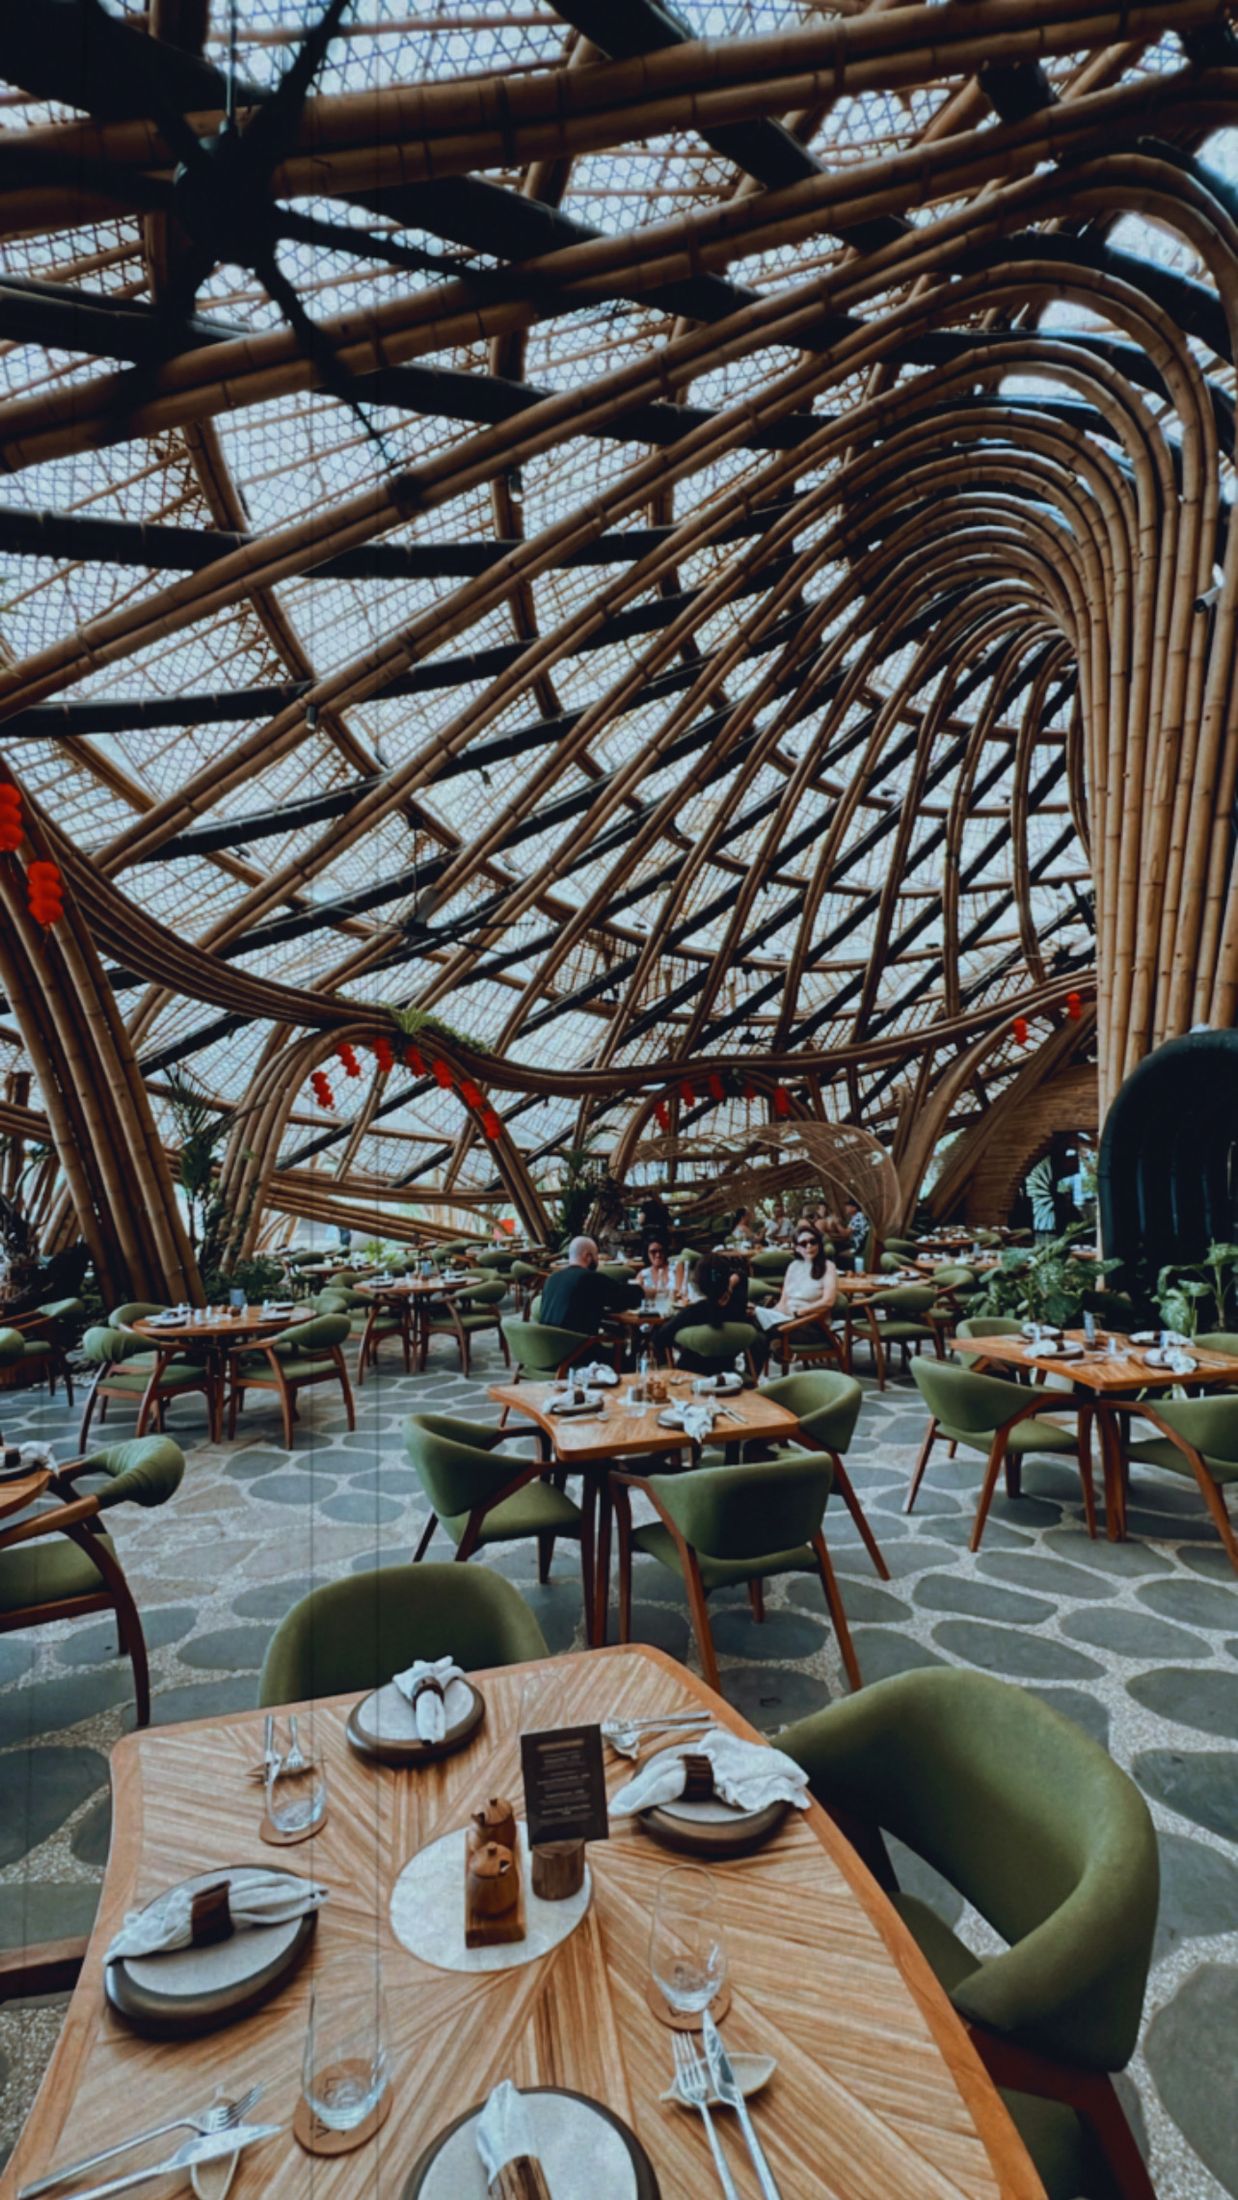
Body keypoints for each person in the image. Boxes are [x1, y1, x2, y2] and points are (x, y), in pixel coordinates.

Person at [652, 1254, 751, 1369]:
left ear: (698, 1284)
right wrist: (728, 1287)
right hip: (727, 1370)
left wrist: (681, 1338)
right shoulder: (738, 1306)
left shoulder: (693, 1312)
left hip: (691, 1372)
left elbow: (659, 1339)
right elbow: (742, 1276)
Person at [538, 1236, 641, 1332]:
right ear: (588, 1256)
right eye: (596, 1255)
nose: (597, 1260)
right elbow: (623, 1297)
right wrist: (643, 1290)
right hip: (577, 1343)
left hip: (547, 1343)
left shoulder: (551, 1279)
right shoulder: (589, 1278)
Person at [752, 1221, 838, 1333]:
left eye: (813, 1242)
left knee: (761, 1328)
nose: (809, 1246)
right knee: (751, 1317)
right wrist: (768, 1313)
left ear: (819, 1244)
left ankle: (774, 1341)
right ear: (797, 1248)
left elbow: (828, 1301)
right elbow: (783, 1302)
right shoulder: (794, 1266)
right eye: (803, 1243)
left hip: (811, 1321)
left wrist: (801, 1312)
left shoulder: (828, 1266)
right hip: (787, 1319)